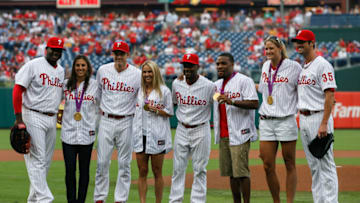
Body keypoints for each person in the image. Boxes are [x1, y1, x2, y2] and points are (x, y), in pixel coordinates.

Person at [12, 37, 65, 202]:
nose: (55, 52)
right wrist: (19, 119)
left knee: (45, 163)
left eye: (59, 50)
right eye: (53, 49)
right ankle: (45, 198)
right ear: (46, 49)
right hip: (33, 115)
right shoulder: (33, 65)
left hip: (51, 118)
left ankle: (33, 200)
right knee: (37, 160)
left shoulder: (61, 71)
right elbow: (17, 90)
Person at [292, 29, 338, 203]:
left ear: (312, 43)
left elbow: (329, 95)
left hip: (318, 117)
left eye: (302, 41)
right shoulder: (304, 67)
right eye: (297, 41)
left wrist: (324, 123)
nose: (298, 44)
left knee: (326, 164)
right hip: (303, 119)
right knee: (314, 166)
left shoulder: (322, 64)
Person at [94, 41, 141, 203]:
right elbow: (97, 95)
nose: (119, 56)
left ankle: (120, 199)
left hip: (127, 121)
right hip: (106, 119)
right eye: (116, 53)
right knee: (101, 163)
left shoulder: (137, 74)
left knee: (125, 164)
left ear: (128, 55)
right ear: (113, 54)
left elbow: (141, 98)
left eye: (122, 53)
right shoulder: (103, 70)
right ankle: (99, 198)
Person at [257, 36, 302, 203]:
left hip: (286, 119)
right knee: (268, 165)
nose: (268, 51)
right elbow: (262, 88)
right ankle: (277, 201)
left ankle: (289, 201)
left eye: (271, 48)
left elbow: (303, 87)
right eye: (266, 48)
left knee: (289, 163)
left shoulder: (294, 67)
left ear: (280, 49)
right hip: (267, 120)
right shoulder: (265, 66)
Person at [169, 53, 216, 203]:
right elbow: (174, 102)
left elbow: (217, 101)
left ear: (197, 66)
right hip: (182, 128)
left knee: (200, 169)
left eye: (190, 65)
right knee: (177, 168)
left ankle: (197, 201)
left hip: (201, 129)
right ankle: (175, 200)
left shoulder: (209, 86)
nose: (187, 68)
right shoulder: (177, 83)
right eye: (185, 65)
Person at [213, 52, 259, 203]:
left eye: (223, 63)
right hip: (224, 134)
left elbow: (254, 103)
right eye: (218, 63)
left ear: (232, 65)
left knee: (241, 173)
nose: (220, 66)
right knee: (232, 174)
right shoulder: (217, 85)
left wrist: (232, 101)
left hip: (240, 132)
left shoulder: (244, 81)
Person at [58, 55, 99, 203]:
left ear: (87, 67)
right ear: (74, 68)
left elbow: (102, 105)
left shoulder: (95, 85)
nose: (80, 68)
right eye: (77, 65)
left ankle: (81, 200)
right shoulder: (65, 85)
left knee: (84, 172)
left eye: (83, 65)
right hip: (68, 134)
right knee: (69, 171)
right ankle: (71, 201)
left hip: (87, 134)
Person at [133, 60, 174, 203]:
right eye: (144, 72)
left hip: (157, 135)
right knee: (142, 171)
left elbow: (169, 112)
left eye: (150, 71)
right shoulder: (138, 90)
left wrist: (155, 109)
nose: (147, 74)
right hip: (141, 135)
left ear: (155, 72)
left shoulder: (164, 90)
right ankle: (142, 201)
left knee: (157, 172)